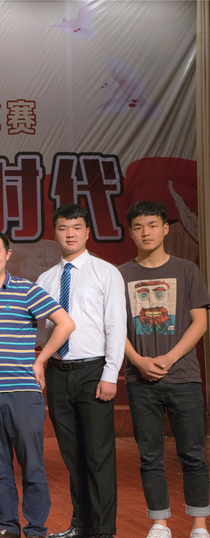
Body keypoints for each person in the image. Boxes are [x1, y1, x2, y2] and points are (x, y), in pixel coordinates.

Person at [0, 230, 75, 538]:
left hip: (23, 394)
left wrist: (41, 361)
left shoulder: (26, 290)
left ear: (7, 254)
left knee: (32, 466)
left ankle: (36, 529)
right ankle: (7, 526)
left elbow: (66, 323)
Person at [118, 201, 210, 538]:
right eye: (139, 227)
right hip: (140, 378)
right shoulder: (121, 274)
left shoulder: (187, 270)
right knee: (150, 456)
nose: (146, 232)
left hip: (183, 376)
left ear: (166, 228)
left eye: (153, 225)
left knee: (193, 454)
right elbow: (114, 328)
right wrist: (139, 361)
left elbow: (200, 322)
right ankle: (159, 523)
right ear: (131, 233)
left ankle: (200, 525)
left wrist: (169, 359)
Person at [36, 204, 125, 538]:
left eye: (76, 227)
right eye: (63, 228)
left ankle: (103, 530)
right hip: (59, 374)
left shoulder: (106, 272)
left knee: (98, 455)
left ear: (87, 232)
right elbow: (43, 332)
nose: (70, 234)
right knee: (72, 455)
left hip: (93, 371)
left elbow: (116, 326)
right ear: (55, 233)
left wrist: (110, 373)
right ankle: (81, 524)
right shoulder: (45, 279)